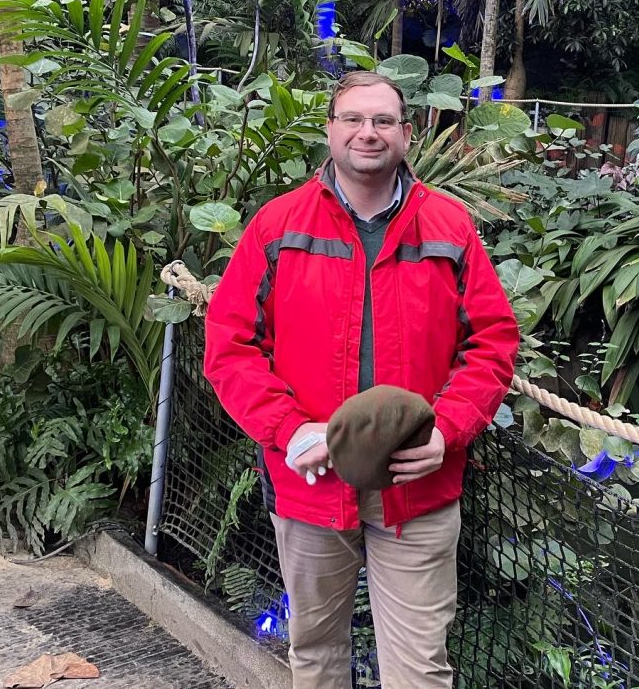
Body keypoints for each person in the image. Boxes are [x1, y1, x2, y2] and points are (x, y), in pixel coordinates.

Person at [203, 71, 519, 688]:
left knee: (420, 668)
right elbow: (230, 344)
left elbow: (493, 341)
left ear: (406, 134)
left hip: (418, 485)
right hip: (310, 480)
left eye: (382, 121)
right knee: (316, 653)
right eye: (352, 118)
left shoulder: (449, 226)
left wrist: (447, 429)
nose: (367, 132)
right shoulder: (277, 225)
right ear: (330, 130)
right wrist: (288, 430)